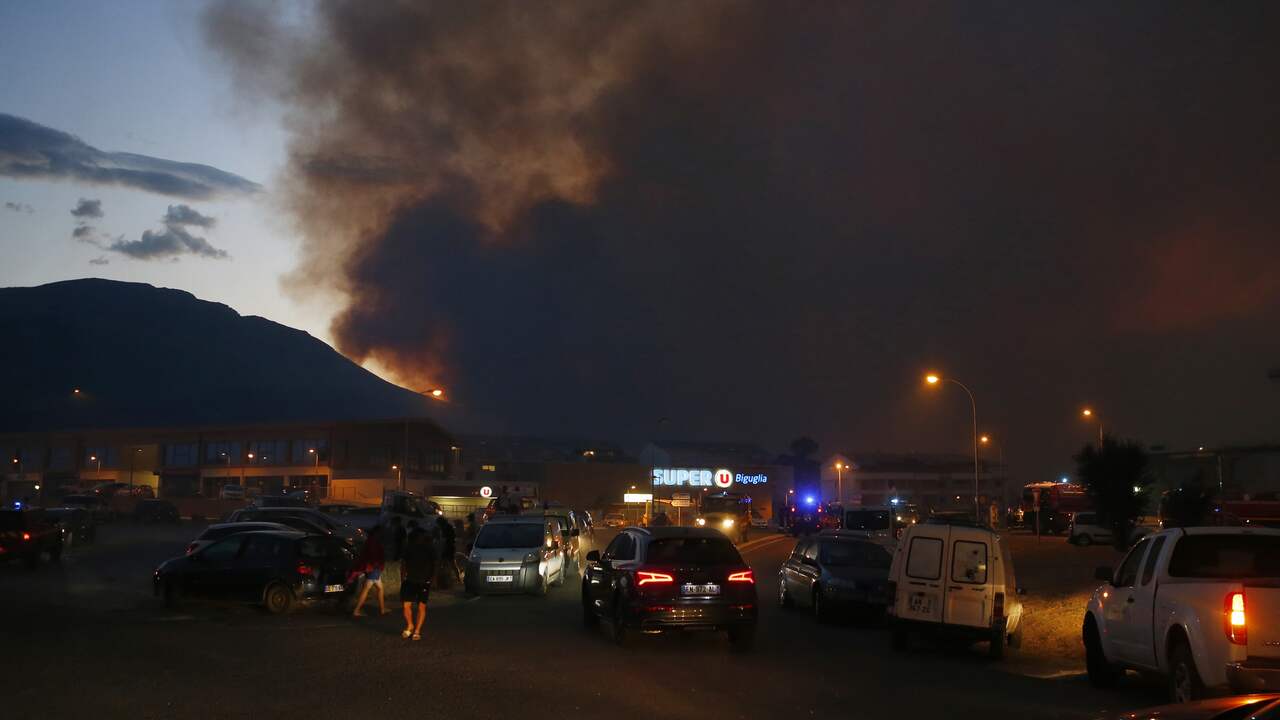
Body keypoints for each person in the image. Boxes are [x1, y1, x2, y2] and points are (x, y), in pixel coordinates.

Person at [399, 528, 436, 641]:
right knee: (406, 606)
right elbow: (403, 563)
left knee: (421, 606)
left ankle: (417, 630)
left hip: (424, 581)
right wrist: (403, 577)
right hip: (410, 580)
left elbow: (435, 564)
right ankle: (410, 625)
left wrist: (433, 578)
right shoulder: (409, 548)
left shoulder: (429, 549)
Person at [351, 525, 389, 617]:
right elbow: (374, 556)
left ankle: (382, 608)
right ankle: (357, 610)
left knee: (379, 588)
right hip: (374, 568)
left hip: (373, 568)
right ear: (377, 533)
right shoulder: (373, 542)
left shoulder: (370, 541)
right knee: (367, 589)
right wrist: (376, 565)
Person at [435, 515, 457, 587]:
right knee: (451, 564)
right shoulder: (447, 527)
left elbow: (446, 540)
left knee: (446, 563)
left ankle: (443, 581)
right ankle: (456, 578)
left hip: (448, 548)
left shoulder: (446, 528)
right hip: (449, 548)